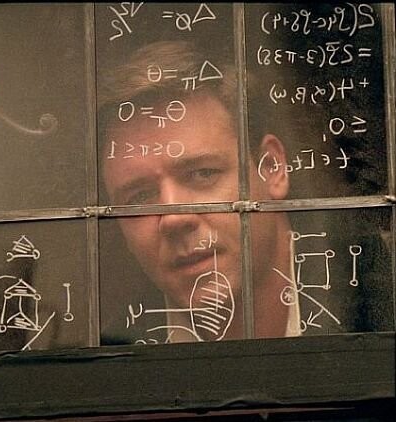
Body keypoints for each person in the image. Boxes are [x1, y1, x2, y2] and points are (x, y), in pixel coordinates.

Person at [98, 40, 301, 343]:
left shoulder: (370, 303)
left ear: (271, 168)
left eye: (203, 173)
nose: (173, 219)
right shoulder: (109, 355)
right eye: (139, 197)